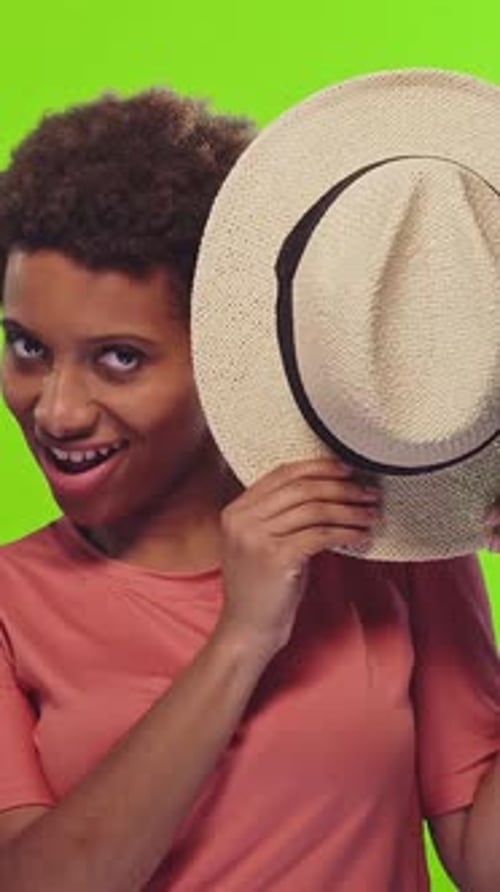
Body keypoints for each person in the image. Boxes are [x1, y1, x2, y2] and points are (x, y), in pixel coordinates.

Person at [0, 87, 498, 892]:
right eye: (25, 347)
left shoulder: (383, 535)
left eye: (119, 358)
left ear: (230, 349)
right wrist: (240, 638)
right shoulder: (11, 602)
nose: (54, 409)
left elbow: (483, 857)